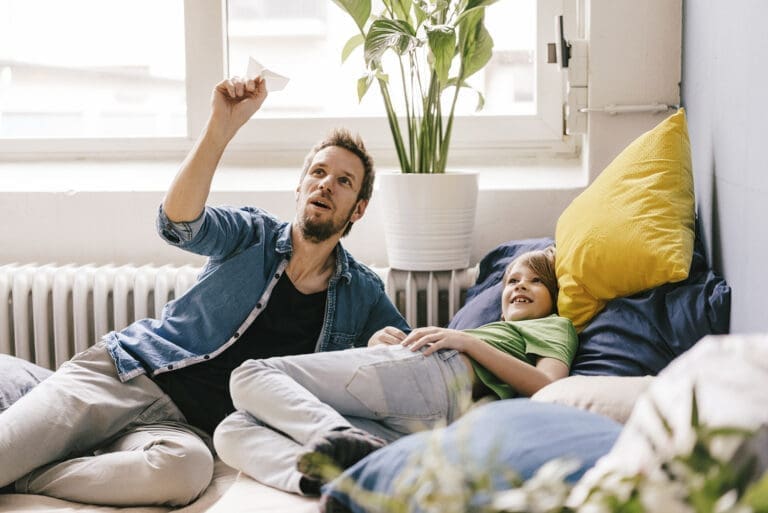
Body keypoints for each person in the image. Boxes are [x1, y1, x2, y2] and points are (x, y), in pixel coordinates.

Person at [0, 76, 408, 507]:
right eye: (319, 172)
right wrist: (220, 127)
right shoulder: (250, 233)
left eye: (344, 181)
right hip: (124, 377)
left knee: (185, 473)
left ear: (358, 209)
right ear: (300, 185)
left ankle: (26, 479)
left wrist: (385, 346)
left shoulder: (361, 293)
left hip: (182, 433)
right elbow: (178, 221)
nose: (326, 184)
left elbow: (417, 369)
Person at [213, 246, 578, 496]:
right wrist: (379, 347)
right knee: (232, 428)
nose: (520, 287)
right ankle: (321, 479)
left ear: (555, 296)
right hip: (419, 419)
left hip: (437, 376)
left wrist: (466, 342)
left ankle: (335, 434)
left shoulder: (555, 326)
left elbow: (547, 386)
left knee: (249, 374)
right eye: (512, 281)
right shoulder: (492, 328)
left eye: (535, 281)